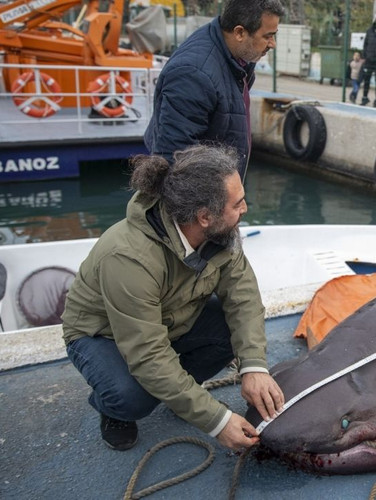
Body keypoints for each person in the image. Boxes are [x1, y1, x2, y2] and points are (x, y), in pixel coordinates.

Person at [62, 144, 285, 451]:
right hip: (101, 335)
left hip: (171, 319)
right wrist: (217, 421)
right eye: (238, 203)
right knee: (132, 397)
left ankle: (180, 395)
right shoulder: (129, 257)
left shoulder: (219, 234)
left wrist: (254, 367)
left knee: (229, 333)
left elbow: (243, 298)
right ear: (204, 216)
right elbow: (148, 355)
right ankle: (111, 408)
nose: (245, 209)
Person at [144, 0, 285, 182]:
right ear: (240, 32)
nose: (272, 44)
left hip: (220, 197)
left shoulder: (237, 58)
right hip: (202, 204)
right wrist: (208, 208)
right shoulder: (193, 73)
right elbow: (174, 160)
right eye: (268, 36)